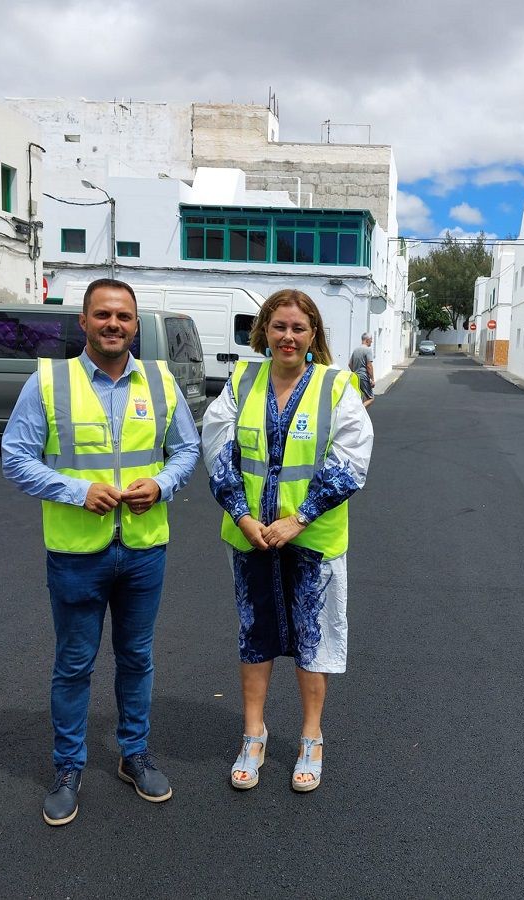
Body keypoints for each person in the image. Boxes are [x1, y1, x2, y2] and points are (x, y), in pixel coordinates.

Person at [1, 278, 200, 826]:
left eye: (125, 317)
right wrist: (76, 490)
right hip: (76, 555)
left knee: (137, 659)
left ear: (136, 325)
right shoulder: (48, 382)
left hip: (142, 551)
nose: (114, 324)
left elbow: (186, 450)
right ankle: (68, 767)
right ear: (84, 322)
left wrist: (161, 485)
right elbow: (15, 458)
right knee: (73, 665)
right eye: (103, 315)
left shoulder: (160, 381)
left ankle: (133, 755)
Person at [201, 289, 373, 793]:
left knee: (310, 637)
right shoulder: (242, 380)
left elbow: (351, 460)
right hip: (251, 536)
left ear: (313, 333)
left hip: (312, 539)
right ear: (264, 332)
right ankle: (253, 734)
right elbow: (217, 448)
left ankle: (311, 738)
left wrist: (298, 519)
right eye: (279, 327)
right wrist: (242, 515)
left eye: (299, 328)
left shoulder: (336, 385)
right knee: (255, 633)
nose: (288, 337)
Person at [348, 332, 375, 409]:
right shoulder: (368, 350)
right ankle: (359, 411)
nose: (372, 341)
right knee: (370, 398)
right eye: (371, 340)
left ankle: (359, 416)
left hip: (355, 377)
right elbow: (369, 366)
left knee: (360, 398)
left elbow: (350, 364)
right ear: (367, 340)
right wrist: (372, 379)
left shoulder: (356, 350)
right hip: (363, 377)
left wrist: (356, 372)